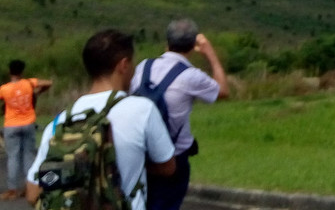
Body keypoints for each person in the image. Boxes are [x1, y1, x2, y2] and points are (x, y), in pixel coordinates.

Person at [25, 29, 175, 210]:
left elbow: (33, 192)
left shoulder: (60, 122)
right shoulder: (143, 109)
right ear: (123, 65)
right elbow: (168, 167)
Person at [131, 19, 228, 210]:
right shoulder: (191, 76)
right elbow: (223, 91)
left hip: (140, 154)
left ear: (167, 42)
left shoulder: (143, 67)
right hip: (174, 159)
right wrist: (211, 54)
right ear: (192, 46)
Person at [0, 60, 52, 200]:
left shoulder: (4, 89)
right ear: (22, 71)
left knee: (13, 157)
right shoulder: (29, 83)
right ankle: (30, 187)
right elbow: (48, 83)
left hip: (11, 125)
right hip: (28, 123)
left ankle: (12, 189)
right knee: (28, 156)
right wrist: (37, 93)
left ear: (10, 72)